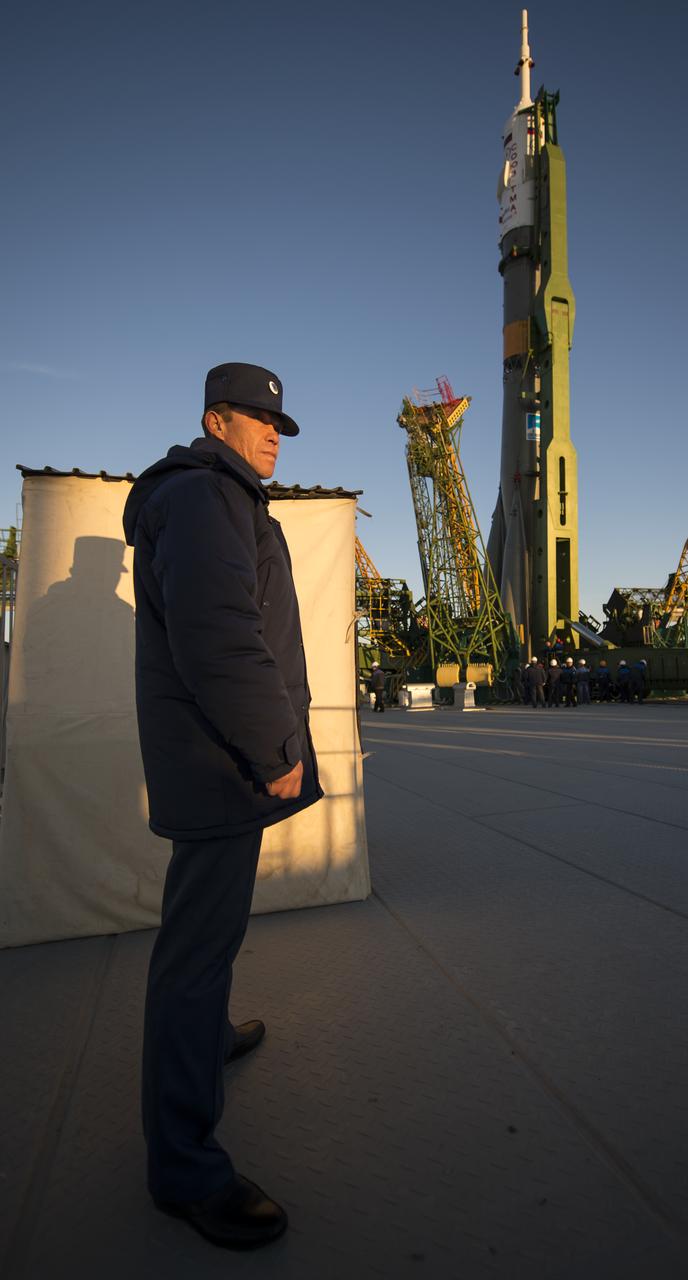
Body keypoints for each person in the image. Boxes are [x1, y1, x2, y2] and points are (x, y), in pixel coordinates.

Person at [123, 362, 324, 1251]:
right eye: (257, 420)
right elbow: (219, 635)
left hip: (217, 760)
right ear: (217, 420)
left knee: (209, 937)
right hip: (223, 761)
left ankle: (205, 1047)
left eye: (280, 424)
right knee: (194, 956)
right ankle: (184, 1170)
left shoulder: (225, 498)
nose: (273, 434)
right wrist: (278, 748)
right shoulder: (207, 497)